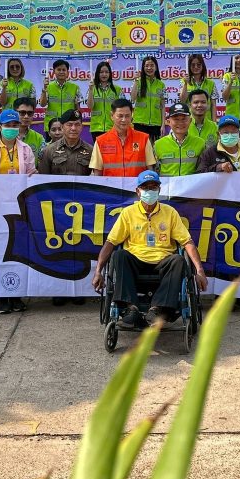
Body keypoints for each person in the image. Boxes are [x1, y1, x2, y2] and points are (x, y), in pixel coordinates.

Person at [91, 170, 208, 328]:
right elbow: (110, 242)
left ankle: (157, 309)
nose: (149, 191)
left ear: (159, 190)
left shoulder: (170, 213)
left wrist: (199, 271)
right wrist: (98, 271)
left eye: (153, 187)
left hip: (162, 264)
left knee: (179, 260)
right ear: (138, 191)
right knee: (119, 255)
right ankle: (130, 308)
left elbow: (187, 242)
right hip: (136, 263)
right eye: (145, 187)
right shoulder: (128, 213)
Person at [0, 109, 37, 313]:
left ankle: (16, 294)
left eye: (15, 125)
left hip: (19, 207)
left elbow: (31, 172)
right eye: (7, 125)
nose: (11, 129)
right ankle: (1, 296)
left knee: (18, 249)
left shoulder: (26, 149)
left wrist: (34, 176)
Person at [37, 109, 93, 307]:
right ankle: (59, 290)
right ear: (62, 127)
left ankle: (78, 290)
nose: (73, 128)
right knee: (57, 250)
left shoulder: (90, 150)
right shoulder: (49, 151)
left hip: (82, 210)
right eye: (69, 124)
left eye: (77, 124)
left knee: (80, 249)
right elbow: (42, 181)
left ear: (82, 127)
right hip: (56, 210)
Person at [90, 98, 156, 177]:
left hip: (137, 185)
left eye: (127, 116)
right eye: (120, 116)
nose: (124, 120)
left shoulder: (143, 139)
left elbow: (150, 170)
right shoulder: (101, 141)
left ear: (132, 115)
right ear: (112, 116)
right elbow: (97, 174)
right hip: (111, 185)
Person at [153, 102, 206, 176]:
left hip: (192, 184)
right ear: (168, 122)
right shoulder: (158, 144)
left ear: (190, 121)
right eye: (176, 119)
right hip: (166, 184)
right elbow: (154, 172)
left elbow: (204, 170)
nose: (180, 123)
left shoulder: (200, 143)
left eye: (184, 119)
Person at [131, 55, 166, 143]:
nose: (149, 68)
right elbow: (132, 98)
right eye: (146, 66)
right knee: (137, 148)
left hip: (156, 124)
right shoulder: (138, 82)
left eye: (152, 65)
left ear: (156, 67)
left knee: (153, 149)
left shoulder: (161, 84)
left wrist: (163, 125)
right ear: (143, 68)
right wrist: (135, 81)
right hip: (140, 123)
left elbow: (163, 106)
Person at [40, 59, 81, 128]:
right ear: (54, 72)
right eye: (59, 70)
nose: (61, 72)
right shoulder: (48, 87)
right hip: (51, 125)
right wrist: (44, 89)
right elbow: (42, 104)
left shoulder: (75, 88)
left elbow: (78, 109)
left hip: (68, 125)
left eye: (64, 70)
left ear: (67, 72)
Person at [87, 61, 120, 139]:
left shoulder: (117, 89)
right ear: (97, 74)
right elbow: (90, 106)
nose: (104, 74)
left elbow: (121, 108)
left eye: (106, 72)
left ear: (110, 74)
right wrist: (91, 90)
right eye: (101, 72)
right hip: (96, 128)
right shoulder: (92, 89)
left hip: (112, 128)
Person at [179, 54, 216, 119]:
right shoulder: (183, 81)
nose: (196, 67)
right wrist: (185, 84)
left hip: (207, 120)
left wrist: (214, 122)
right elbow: (182, 101)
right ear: (189, 67)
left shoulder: (211, 83)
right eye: (193, 65)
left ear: (202, 66)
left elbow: (213, 105)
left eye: (198, 65)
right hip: (190, 120)